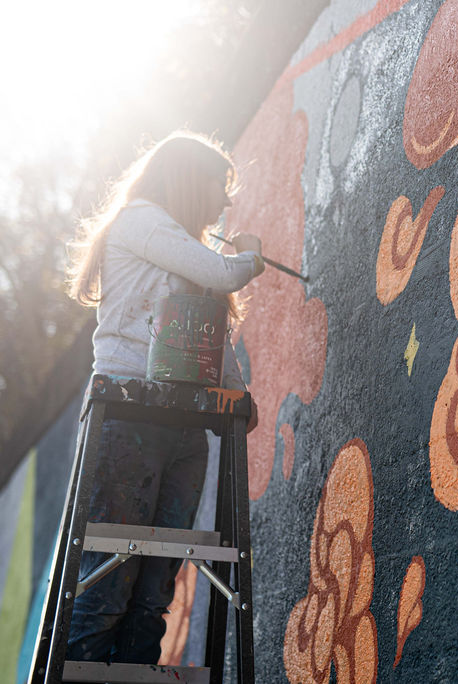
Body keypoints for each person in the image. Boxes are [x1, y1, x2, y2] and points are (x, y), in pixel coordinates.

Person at [64, 130, 265, 664]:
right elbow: (223, 272)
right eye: (219, 186)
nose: (225, 202)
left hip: (180, 423)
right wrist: (251, 257)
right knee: (105, 590)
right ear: (188, 180)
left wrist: (240, 395)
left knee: (154, 596)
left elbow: (207, 333)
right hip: (129, 416)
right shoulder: (142, 219)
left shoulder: (177, 243)